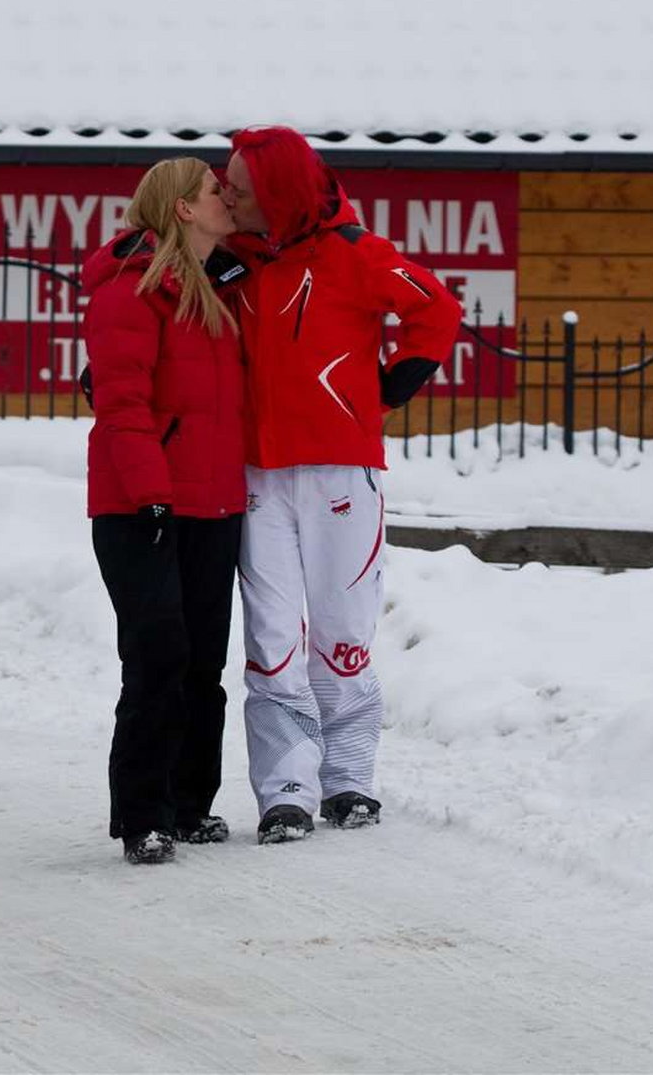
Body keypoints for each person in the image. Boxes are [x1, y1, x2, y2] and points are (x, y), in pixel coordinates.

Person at [222, 126, 462, 845]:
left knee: (344, 629)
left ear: (277, 193)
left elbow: (436, 311)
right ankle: (285, 789)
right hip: (258, 474)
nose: (225, 193)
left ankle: (350, 776)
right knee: (272, 635)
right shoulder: (228, 258)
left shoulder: (354, 252)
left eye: (238, 185)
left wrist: (384, 392)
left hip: (341, 475)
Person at [82, 158, 248, 865]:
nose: (229, 198)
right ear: (182, 208)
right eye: (217, 190)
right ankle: (142, 815)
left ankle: (188, 803)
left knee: (204, 659)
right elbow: (122, 405)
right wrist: (152, 492)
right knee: (158, 654)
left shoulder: (226, 286)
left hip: (213, 504)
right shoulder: (130, 294)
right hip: (139, 505)